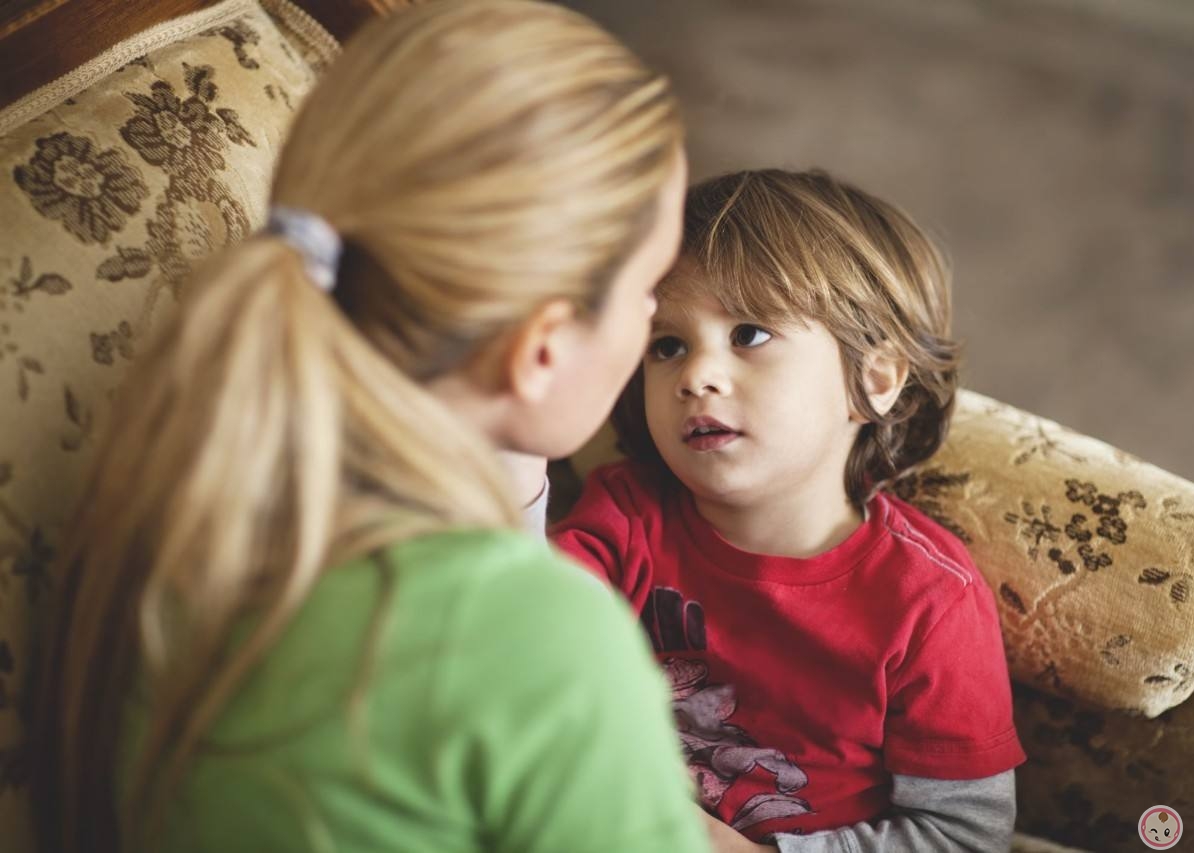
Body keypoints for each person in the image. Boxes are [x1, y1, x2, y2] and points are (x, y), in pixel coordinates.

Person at [29, 3, 710, 852]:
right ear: (540, 348)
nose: (650, 317)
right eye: (647, 285)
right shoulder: (548, 644)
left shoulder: (186, 507)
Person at [549, 169, 1027, 852]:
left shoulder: (929, 601)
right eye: (667, 345)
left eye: (749, 333)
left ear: (874, 381)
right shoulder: (624, 514)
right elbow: (517, 640)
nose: (696, 375)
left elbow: (961, 836)